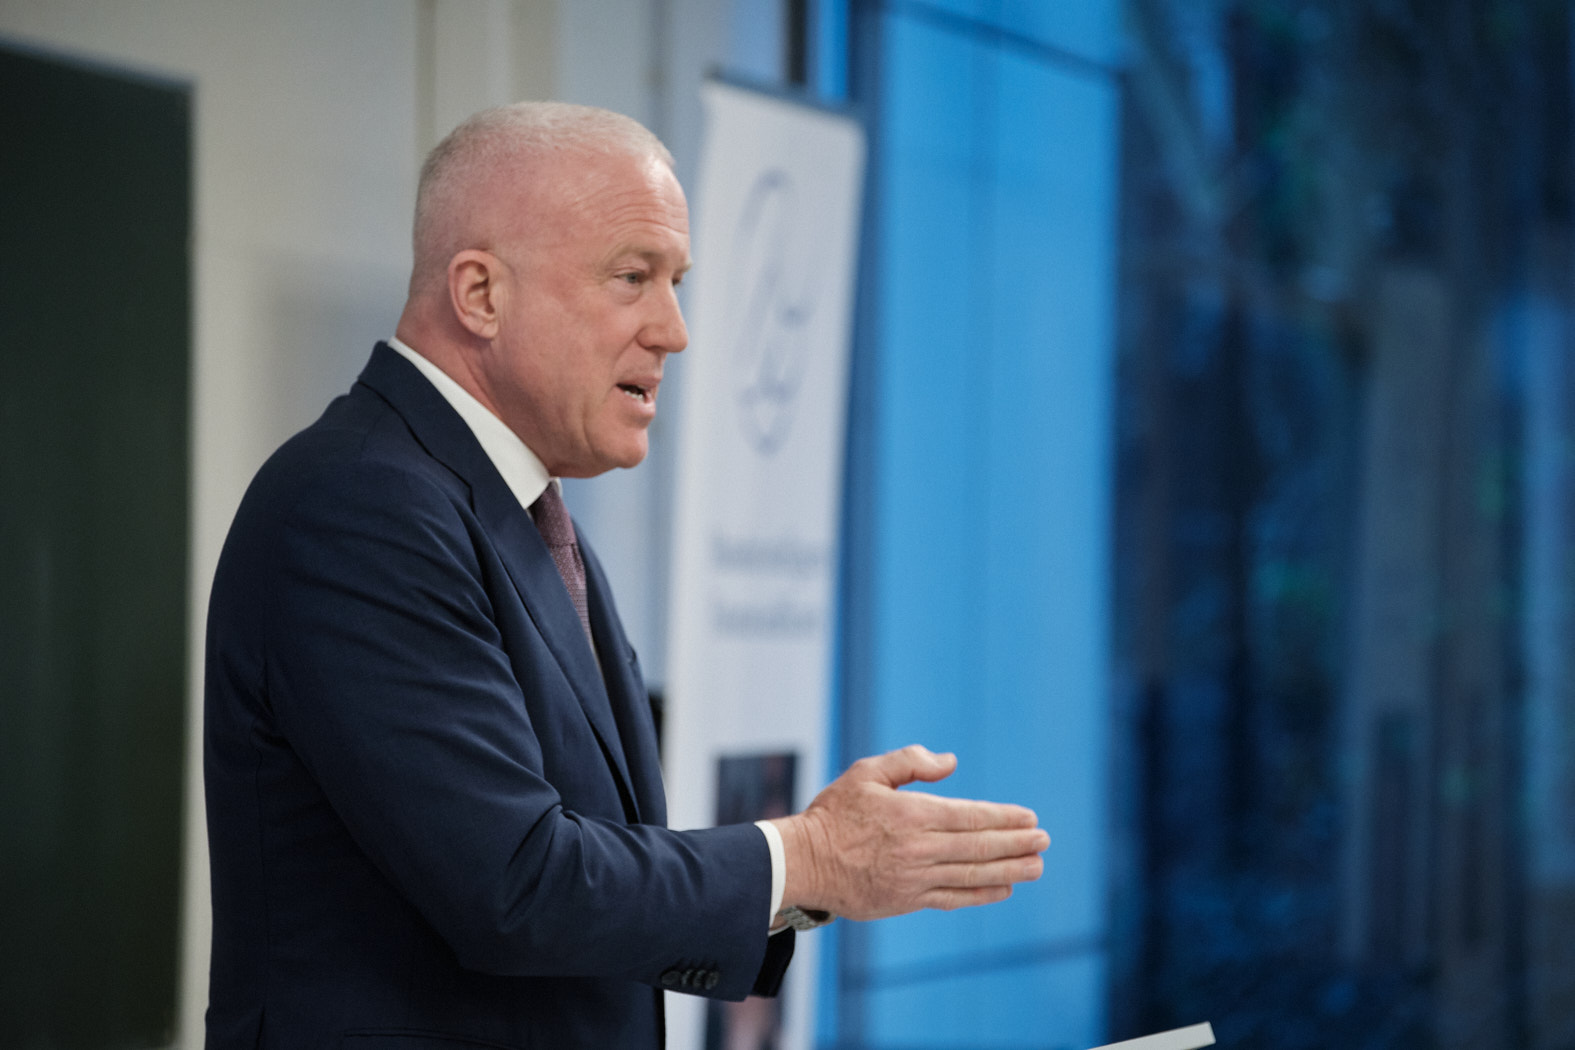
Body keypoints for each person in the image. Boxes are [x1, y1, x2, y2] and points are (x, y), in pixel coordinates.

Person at [203, 101, 1049, 1050]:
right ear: (480, 294)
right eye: (632, 277)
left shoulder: (521, 511)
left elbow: (596, 869)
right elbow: (517, 884)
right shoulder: (360, 504)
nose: (675, 331)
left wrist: (810, 876)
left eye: (676, 282)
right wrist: (809, 857)